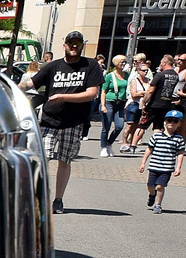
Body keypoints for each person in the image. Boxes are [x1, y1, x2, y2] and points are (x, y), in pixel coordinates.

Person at [21, 30, 103, 213]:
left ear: (82, 45)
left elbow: (91, 94)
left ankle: (58, 199)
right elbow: (32, 83)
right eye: (71, 43)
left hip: (74, 123)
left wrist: (63, 97)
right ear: (64, 45)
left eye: (78, 44)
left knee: (65, 161)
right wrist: (12, 85)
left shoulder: (90, 65)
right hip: (49, 121)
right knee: (43, 158)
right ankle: (38, 198)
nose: (74, 46)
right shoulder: (53, 66)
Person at [138, 109, 186, 214]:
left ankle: (158, 204)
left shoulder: (179, 139)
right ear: (165, 121)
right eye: (169, 120)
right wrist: (143, 162)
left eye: (175, 121)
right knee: (150, 186)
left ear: (179, 124)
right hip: (154, 166)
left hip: (167, 168)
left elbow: (180, 153)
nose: (171, 123)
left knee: (160, 186)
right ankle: (152, 195)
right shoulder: (156, 136)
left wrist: (178, 167)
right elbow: (149, 149)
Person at [100, 55, 131, 156]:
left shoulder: (127, 75)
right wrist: (103, 105)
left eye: (125, 62)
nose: (124, 64)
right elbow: (103, 91)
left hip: (121, 103)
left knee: (119, 126)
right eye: (122, 62)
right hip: (109, 102)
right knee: (106, 126)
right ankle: (103, 147)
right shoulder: (110, 76)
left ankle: (109, 143)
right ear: (117, 63)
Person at [121, 59, 153, 151]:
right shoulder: (135, 81)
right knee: (129, 125)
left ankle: (131, 143)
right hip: (133, 104)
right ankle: (124, 142)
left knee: (137, 126)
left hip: (144, 105)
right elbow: (134, 95)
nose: (145, 72)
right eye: (143, 70)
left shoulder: (149, 81)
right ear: (138, 71)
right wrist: (144, 93)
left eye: (147, 70)